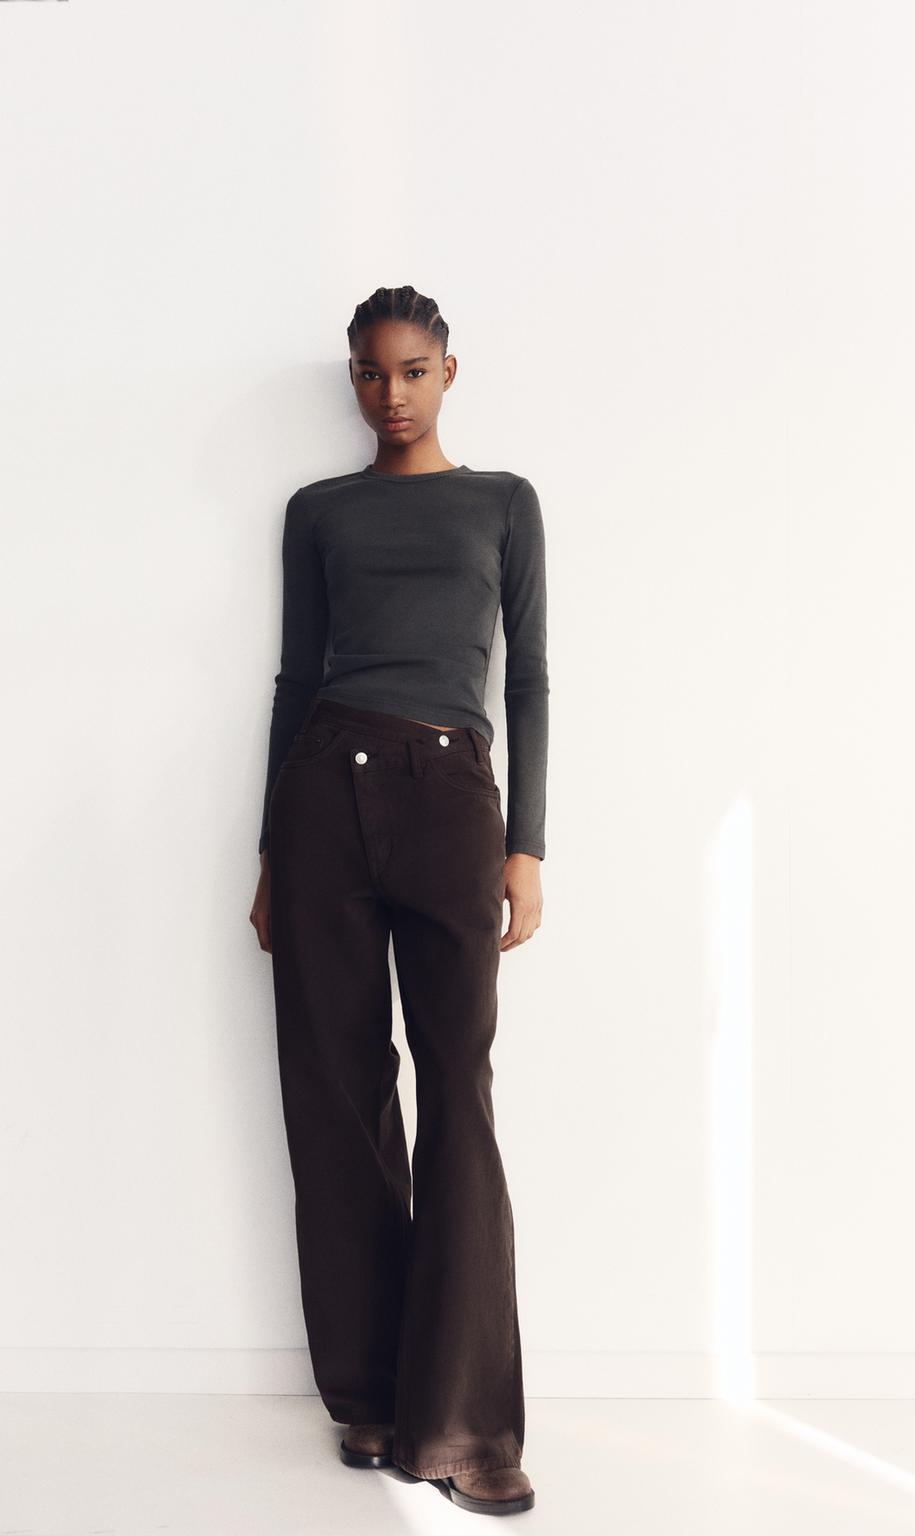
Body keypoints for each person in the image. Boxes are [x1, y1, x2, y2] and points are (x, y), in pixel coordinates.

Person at [249, 285, 547, 1517]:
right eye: (371, 373)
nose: (391, 394)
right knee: (337, 1090)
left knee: (456, 1090)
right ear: (353, 379)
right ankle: (371, 1394)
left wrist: (526, 847)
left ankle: (466, 1427)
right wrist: (271, 850)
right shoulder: (318, 510)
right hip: (324, 788)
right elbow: (294, 677)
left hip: (448, 793)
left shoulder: (502, 502)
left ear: (448, 372)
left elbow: (528, 678)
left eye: (413, 371)